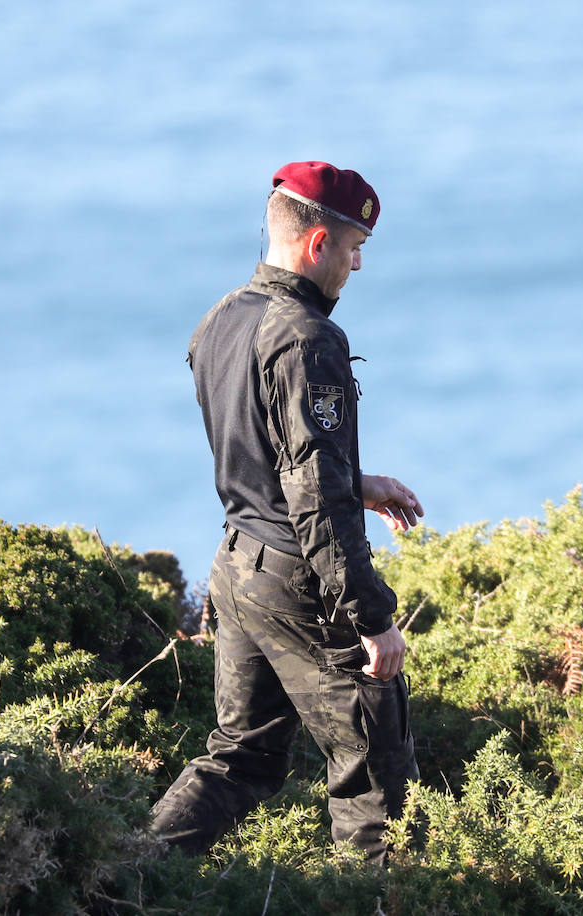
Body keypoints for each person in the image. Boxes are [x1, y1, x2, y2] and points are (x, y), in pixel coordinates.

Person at [150, 161, 424, 864]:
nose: (358, 264)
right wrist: (373, 617)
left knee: (239, 758)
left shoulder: (220, 319)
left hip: (237, 567)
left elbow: (260, 447)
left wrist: (357, 479)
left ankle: (121, 878)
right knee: (374, 776)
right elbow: (317, 501)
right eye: (355, 246)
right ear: (316, 243)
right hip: (300, 582)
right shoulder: (307, 338)